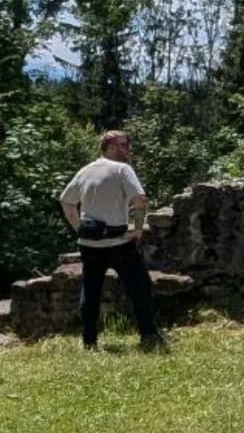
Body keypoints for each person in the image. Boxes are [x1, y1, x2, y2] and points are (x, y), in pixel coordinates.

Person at [59, 131, 165, 351]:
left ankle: (89, 342)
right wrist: (137, 229)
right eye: (123, 144)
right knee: (140, 287)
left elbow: (66, 201)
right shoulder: (122, 169)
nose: (127, 149)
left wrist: (79, 228)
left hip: (89, 244)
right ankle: (148, 335)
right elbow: (140, 198)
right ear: (109, 146)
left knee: (91, 291)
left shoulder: (86, 171)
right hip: (119, 242)